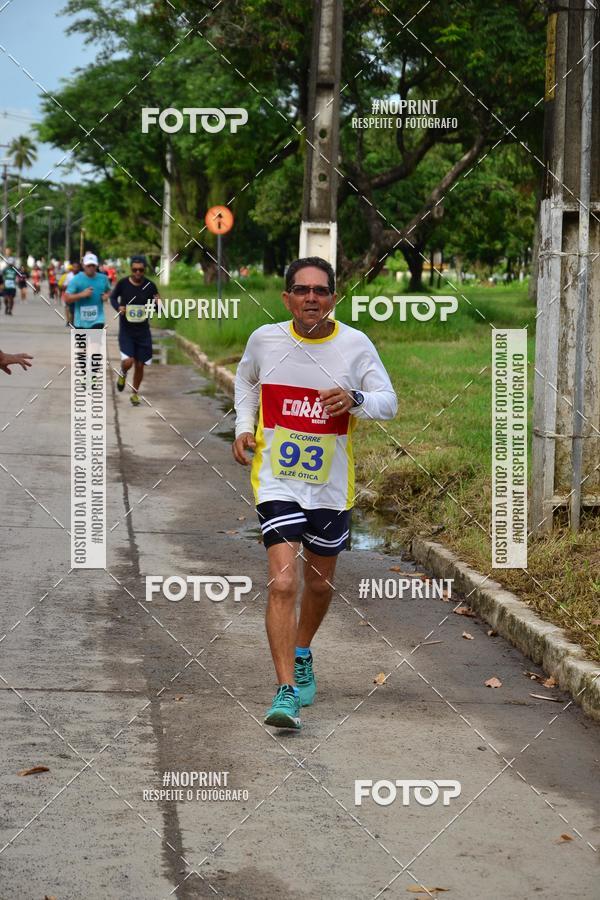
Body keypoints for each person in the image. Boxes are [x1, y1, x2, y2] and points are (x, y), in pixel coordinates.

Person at [232, 256, 397, 729]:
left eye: (320, 291)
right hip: (275, 479)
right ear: (286, 298)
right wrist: (244, 427)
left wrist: (356, 399)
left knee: (320, 584)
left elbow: (389, 402)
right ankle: (285, 690)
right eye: (301, 290)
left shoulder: (354, 345)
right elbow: (246, 380)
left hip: (329, 485)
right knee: (284, 582)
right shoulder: (265, 340)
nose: (311, 298)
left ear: (333, 298)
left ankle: (302, 650)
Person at [110, 255, 159, 406]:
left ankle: (134, 393)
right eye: (135, 269)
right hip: (127, 331)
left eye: (141, 270)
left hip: (143, 331)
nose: (137, 272)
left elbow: (159, 310)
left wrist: (158, 303)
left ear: (144, 270)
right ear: (131, 269)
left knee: (140, 364)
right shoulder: (123, 284)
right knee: (128, 361)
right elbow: (113, 298)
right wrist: (119, 307)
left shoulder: (150, 286)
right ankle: (123, 373)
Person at [65, 252, 110, 329]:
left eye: (93, 265)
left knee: (95, 341)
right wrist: (82, 294)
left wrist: (106, 296)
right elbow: (67, 299)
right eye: (88, 265)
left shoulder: (103, 278)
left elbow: (109, 291)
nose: (91, 267)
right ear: (83, 265)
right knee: (83, 341)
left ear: (97, 266)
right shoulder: (76, 279)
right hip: (80, 322)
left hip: (98, 320)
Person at [60, 261, 81, 327]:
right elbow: (64, 286)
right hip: (70, 296)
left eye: (77, 267)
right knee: (71, 310)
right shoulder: (69, 276)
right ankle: (70, 321)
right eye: (74, 267)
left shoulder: (82, 275)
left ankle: (74, 322)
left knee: (77, 310)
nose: (75, 269)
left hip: (79, 296)